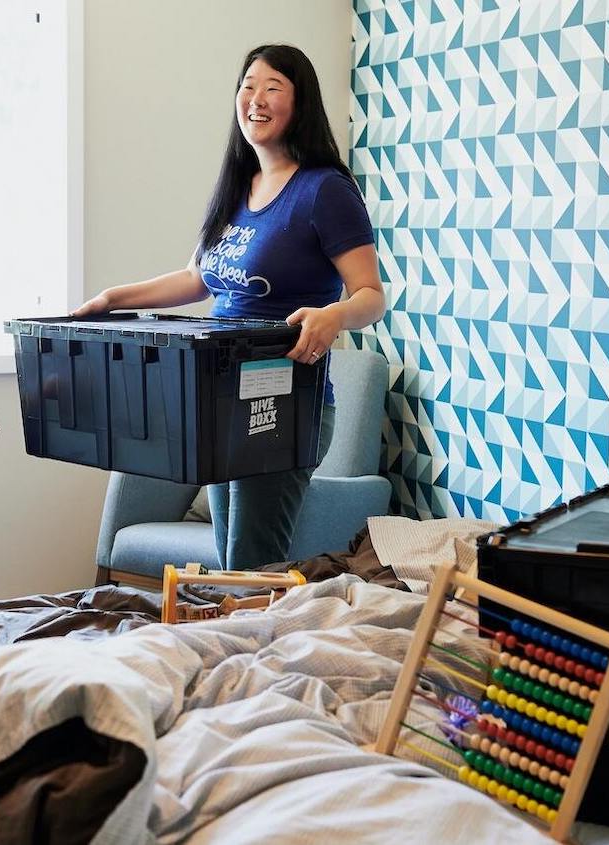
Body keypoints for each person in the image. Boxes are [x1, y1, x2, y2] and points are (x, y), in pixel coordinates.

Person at [73, 43, 386, 571]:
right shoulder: (238, 187)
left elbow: (371, 296)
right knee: (228, 564)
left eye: (272, 87)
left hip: (283, 402)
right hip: (219, 402)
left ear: (300, 102)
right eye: (247, 86)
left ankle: (265, 650)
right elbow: (197, 279)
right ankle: (232, 650)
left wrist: (332, 316)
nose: (255, 99)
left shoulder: (324, 190)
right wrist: (112, 298)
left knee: (251, 565)